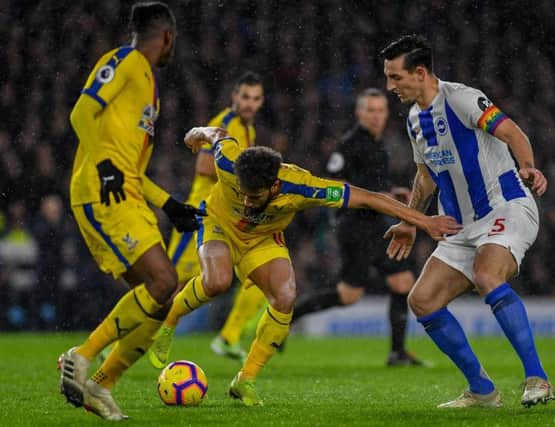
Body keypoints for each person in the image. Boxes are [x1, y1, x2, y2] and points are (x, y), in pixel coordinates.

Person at [164, 125, 460, 407]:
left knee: (285, 297)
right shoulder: (229, 161)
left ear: (275, 186)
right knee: (217, 281)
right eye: (242, 193)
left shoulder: (304, 187)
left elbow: (367, 198)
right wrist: (195, 133)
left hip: (262, 238)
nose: (247, 201)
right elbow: (217, 134)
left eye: (254, 197)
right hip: (219, 224)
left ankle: (245, 380)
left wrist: (421, 221)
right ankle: (169, 323)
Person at [381, 34, 555, 408]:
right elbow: (425, 174)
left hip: (505, 206)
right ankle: (482, 390)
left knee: (487, 275)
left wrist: (528, 167)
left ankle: (538, 379)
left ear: (420, 72)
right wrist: (412, 220)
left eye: (395, 77)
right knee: (423, 300)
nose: (389, 86)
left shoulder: (461, 98)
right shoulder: (414, 119)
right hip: (461, 225)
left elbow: (512, 132)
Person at [59, 3, 204, 420]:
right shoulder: (123, 60)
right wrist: (104, 164)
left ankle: (100, 386)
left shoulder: (148, 83)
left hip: (129, 195)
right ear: (168, 36)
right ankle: (81, 357)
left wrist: (170, 204)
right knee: (164, 280)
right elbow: (81, 112)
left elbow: (133, 170)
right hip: (100, 193)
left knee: (161, 299)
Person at [291, 88, 424, 366]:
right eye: (370, 110)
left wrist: (390, 192)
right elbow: (334, 185)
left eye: (380, 110)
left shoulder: (377, 144)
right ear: (359, 113)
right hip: (354, 229)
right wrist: (383, 197)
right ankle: (291, 314)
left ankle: (397, 353)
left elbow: (373, 186)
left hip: (377, 226)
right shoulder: (349, 145)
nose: (376, 116)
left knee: (402, 282)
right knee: (349, 295)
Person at [149, 72, 266, 368]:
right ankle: (122, 340)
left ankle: (229, 336)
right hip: (200, 215)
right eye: (245, 97)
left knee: (258, 274)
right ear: (234, 97)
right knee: (168, 285)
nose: (250, 103)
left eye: (255, 98)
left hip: (228, 217)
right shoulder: (224, 124)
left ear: (261, 101)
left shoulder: (247, 129)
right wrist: (246, 174)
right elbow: (204, 165)